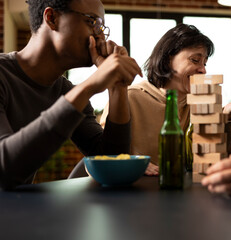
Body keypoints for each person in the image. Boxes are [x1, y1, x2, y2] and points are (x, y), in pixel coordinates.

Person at [0, 0, 142, 189]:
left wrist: (117, 88)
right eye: (93, 22)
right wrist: (89, 86)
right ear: (52, 18)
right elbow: (3, 169)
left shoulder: (65, 91)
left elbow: (111, 161)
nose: (100, 37)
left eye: (102, 28)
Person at [98, 23, 231, 175]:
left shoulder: (200, 100)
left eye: (204, 63)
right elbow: (105, 154)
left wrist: (226, 114)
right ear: (167, 61)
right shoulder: (130, 97)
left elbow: (208, 156)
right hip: (136, 191)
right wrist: (133, 164)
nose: (203, 70)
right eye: (195, 60)